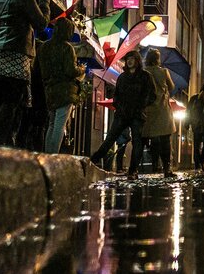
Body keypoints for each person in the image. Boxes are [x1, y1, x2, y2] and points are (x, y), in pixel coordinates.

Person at [0, 0, 50, 146]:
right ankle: (0, 148)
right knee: (10, 103)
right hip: (14, 57)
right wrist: (44, 2)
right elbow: (41, 25)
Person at [90, 50, 156, 179]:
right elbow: (117, 95)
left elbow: (152, 95)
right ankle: (93, 160)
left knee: (137, 142)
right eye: (128, 59)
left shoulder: (145, 76)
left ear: (137, 61)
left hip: (137, 114)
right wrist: (119, 107)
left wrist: (141, 106)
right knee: (110, 138)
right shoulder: (122, 77)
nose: (130, 61)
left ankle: (133, 170)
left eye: (132, 58)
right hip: (122, 114)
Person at [38, 16, 85, 154]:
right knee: (59, 125)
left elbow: (43, 70)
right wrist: (81, 69)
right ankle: (53, 156)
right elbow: (71, 70)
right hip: (65, 90)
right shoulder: (67, 48)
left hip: (50, 89)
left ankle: (47, 154)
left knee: (51, 124)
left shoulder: (44, 47)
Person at [142, 49, 176, 177]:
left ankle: (153, 164)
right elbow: (172, 87)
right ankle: (167, 168)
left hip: (148, 109)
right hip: (162, 109)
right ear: (157, 59)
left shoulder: (144, 73)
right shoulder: (164, 72)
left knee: (151, 138)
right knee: (165, 139)